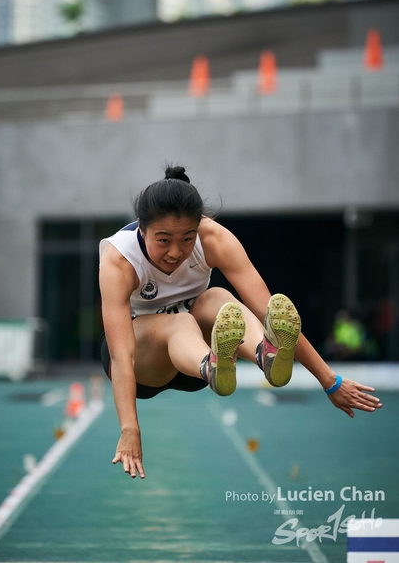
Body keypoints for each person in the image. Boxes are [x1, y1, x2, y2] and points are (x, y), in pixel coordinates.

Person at [99, 166, 382, 479]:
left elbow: (271, 315)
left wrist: (330, 382)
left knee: (218, 297)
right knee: (179, 323)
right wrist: (130, 428)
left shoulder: (215, 239)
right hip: (142, 365)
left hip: (194, 359)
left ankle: (262, 355)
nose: (175, 252)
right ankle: (213, 364)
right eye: (163, 240)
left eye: (187, 238)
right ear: (142, 228)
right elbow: (121, 355)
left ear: (199, 228)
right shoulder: (119, 260)